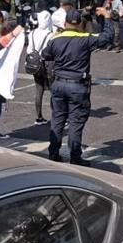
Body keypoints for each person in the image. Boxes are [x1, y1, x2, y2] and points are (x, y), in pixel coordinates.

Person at [42, 8, 112, 165]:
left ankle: (53, 153)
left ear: (65, 23)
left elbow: (46, 55)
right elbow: (107, 37)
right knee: (75, 121)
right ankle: (75, 156)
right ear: (80, 23)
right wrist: (107, 18)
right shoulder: (85, 39)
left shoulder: (56, 39)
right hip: (78, 84)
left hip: (59, 83)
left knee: (58, 119)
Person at [28, 10, 54, 125]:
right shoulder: (51, 34)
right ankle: (56, 116)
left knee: (39, 90)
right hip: (48, 64)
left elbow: (29, 50)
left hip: (35, 63)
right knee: (54, 91)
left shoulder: (32, 33)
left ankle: (38, 117)